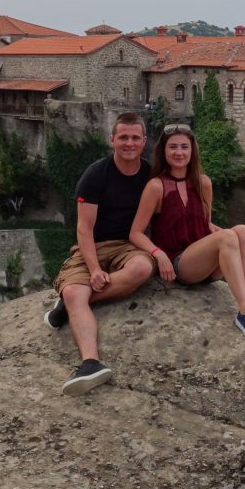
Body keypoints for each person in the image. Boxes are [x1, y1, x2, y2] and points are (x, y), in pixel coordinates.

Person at [128, 123, 245, 343]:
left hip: (206, 264)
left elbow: (205, 223)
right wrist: (158, 254)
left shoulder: (203, 183)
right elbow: (135, 233)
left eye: (184, 147)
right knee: (228, 236)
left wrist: (227, 235)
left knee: (243, 231)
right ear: (164, 151)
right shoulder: (156, 186)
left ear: (192, 151)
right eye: (173, 147)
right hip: (180, 264)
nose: (179, 152)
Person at [45, 112, 156, 395]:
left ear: (144, 141)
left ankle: (68, 307)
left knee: (142, 269)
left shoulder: (151, 176)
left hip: (130, 245)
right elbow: (84, 229)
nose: (129, 143)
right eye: (123, 137)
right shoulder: (96, 175)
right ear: (112, 140)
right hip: (93, 244)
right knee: (73, 292)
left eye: (134, 138)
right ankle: (91, 363)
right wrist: (94, 269)